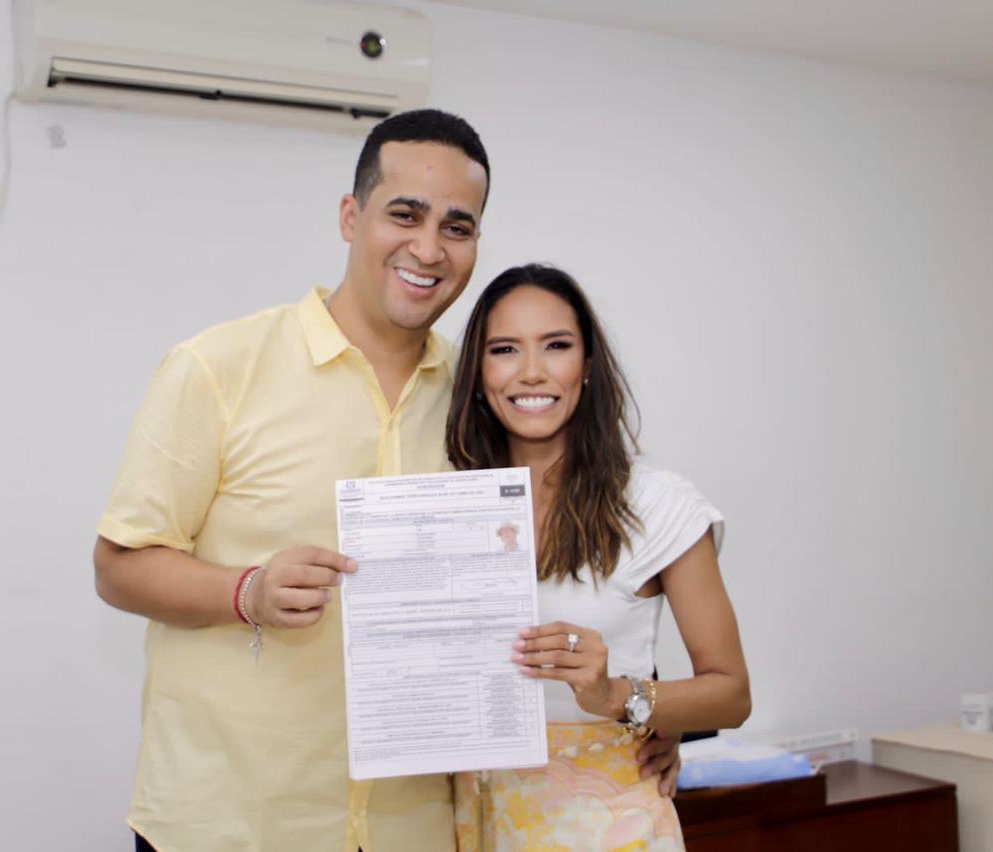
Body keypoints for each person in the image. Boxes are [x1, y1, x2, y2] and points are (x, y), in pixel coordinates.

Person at [92, 111, 682, 852]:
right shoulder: (218, 368)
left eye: (457, 227)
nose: (428, 248)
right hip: (234, 822)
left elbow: (553, 570)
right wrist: (247, 593)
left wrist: (642, 717)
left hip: (415, 827)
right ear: (351, 216)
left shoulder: (480, 396)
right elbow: (117, 566)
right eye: (405, 214)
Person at [445, 264, 751, 851]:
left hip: (609, 826)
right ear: (478, 375)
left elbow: (732, 693)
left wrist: (620, 696)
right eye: (504, 349)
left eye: (556, 345)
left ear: (587, 364)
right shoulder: (443, 505)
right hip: (470, 821)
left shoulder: (657, 504)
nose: (531, 371)